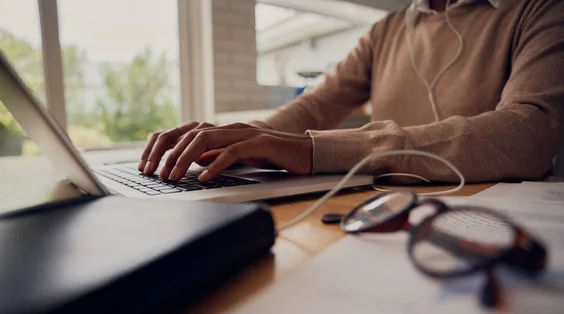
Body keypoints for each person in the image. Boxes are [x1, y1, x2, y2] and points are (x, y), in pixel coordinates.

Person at [138, 0, 564, 184]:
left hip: (490, 223)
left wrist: (317, 151)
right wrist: (243, 138)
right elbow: (316, 107)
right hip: (385, 212)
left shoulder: (539, 10)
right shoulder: (386, 31)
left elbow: (529, 132)